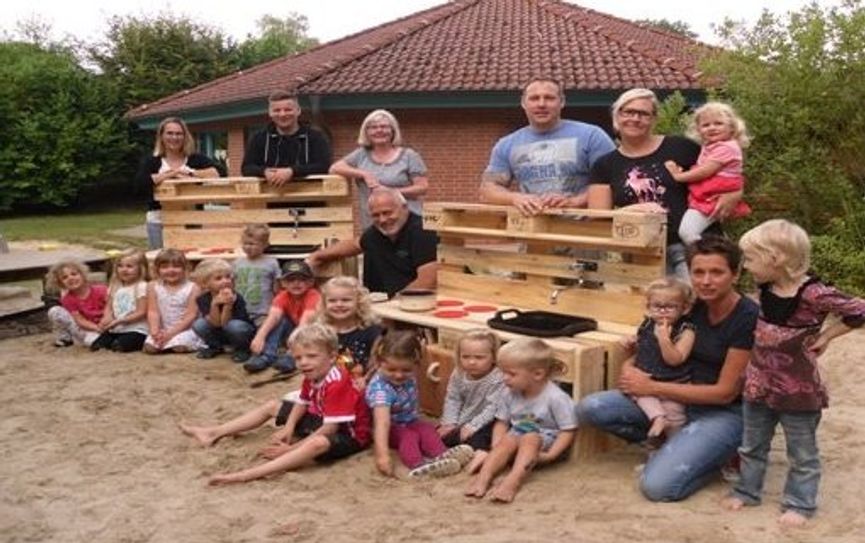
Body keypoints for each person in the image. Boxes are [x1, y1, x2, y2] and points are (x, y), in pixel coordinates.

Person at [577, 236, 759, 502]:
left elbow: (725, 393)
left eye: (717, 272)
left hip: (722, 412)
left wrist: (651, 387)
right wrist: (631, 367)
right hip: (672, 400)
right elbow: (650, 348)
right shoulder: (688, 306)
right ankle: (677, 445)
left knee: (657, 488)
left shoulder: (747, 317)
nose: (706, 281)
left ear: (735, 273)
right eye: (698, 272)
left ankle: (715, 458)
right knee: (590, 408)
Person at [722, 219, 865, 527]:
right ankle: (747, 490)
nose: (745, 266)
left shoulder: (815, 293)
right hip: (759, 382)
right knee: (751, 444)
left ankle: (800, 503)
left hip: (797, 388)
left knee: (802, 451)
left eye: (749, 258)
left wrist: (827, 336)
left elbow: (859, 311)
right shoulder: (766, 285)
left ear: (776, 259)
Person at [180, 323, 372, 485]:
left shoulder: (338, 381)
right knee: (273, 405)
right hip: (323, 420)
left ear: (331, 357)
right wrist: (289, 427)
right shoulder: (312, 373)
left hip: (349, 435)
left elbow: (331, 429)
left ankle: (249, 474)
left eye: (312, 356)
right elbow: (302, 401)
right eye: (298, 358)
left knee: (317, 443)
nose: (304, 362)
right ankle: (214, 432)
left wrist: (291, 449)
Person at [587, 89, 743, 279]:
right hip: (641, 252)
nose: (635, 118)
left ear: (653, 119)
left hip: (693, 249)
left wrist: (735, 193)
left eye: (644, 113)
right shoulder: (605, 164)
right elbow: (598, 218)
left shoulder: (682, 147)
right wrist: (633, 210)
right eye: (628, 112)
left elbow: (728, 170)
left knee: (698, 306)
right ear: (616, 115)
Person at [479, 77, 615, 216]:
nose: (541, 104)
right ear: (523, 103)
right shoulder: (507, 144)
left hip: (583, 232)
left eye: (549, 98)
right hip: (532, 230)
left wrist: (573, 201)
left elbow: (615, 181)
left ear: (562, 102)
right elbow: (488, 189)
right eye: (534, 98)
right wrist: (516, 198)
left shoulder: (592, 136)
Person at [465, 338, 578, 503]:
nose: (504, 378)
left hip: (542, 445)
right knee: (508, 439)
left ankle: (513, 480)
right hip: (516, 439)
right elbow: (502, 422)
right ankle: (483, 477)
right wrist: (497, 447)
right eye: (502, 372)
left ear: (537, 374)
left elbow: (568, 430)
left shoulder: (556, 397)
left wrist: (552, 455)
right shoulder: (508, 392)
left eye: (511, 374)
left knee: (530, 438)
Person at [366, 330, 475, 479]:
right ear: (379, 364)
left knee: (427, 429)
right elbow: (382, 423)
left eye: (406, 370)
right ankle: (417, 464)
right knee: (409, 436)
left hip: (409, 419)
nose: (399, 375)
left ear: (417, 365)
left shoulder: (409, 376)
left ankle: (442, 456)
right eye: (391, 369)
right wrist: (382, 455)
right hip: (390, 427)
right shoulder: (381, 390)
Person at [307, 188, 437, 297]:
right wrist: (317, 256)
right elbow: (353, 245)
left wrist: (394, 306)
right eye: (376, 215)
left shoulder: (422, 231)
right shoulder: (375, 233)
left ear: (404, 208)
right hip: (382, 304)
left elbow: (427, 280)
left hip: (414, 307)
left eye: (387, 212)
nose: (382, 219)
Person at [665, 101, 753, 244]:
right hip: (707, 194)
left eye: (718, 123)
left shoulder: (727, 148)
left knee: (687, 231)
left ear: (731, 127)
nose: (712, 128)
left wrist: (679, 176)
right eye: (706, 125)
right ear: (698, 129)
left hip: (713, 196)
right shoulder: (711, 147)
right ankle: (718, 250)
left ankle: (702, 255)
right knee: (707, 232)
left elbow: (705, 171)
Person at [330, 109, 429, 230]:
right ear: (366, 132)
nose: (379, 130)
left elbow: (422, 187)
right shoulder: (361, 155)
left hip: (407, 223)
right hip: (373, 224)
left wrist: (392, 192)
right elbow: (335, 168)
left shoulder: (409, 156)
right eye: (373, 127)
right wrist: (364, 174)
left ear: (393, 130)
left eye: (384, 126)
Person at [628, 277, 696, 447]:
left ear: (685, 308)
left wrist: (664, 339)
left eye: (670, 307)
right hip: (647, 382)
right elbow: (643, 346)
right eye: (657, 306)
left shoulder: (686, 330)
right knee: (640, 396)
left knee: (674, 421)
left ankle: (676, 451)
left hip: (673, 386)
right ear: (648, 307)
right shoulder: (648, 323)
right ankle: (658, 420)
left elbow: (675, 359)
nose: (663, 311)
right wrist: (631, 341)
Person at [136, 117, 222, 249]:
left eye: (178, 134)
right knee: (160, 260)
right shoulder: (152, 161)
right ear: (161, 136)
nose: (174, 138)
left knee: (192, 257)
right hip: (160, 219)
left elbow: (217, 173)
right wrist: (171, 174)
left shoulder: (196, 158)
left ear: (185, 136)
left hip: (191, 218)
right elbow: (140, 183)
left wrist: (190, 172)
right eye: (170, 133)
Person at [437, 329, 505, 471]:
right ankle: (451, 455)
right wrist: (449, 422)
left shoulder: (498, 377)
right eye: (465, 357)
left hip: (488, 421)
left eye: (479, 357)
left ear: (493, 357)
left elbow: (493, 408)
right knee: (438, 434)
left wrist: (473, 426)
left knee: (483, 437)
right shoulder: (459, 372)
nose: (472, 362)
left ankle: (475, 454)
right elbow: (453, 398)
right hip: (465, 418)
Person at [244, 259, 320, 374]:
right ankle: (267, 355)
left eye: (302, 279)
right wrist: (259, 337)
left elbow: (306, 322)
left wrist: (292, 349)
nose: (296, 283)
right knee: (278, 320)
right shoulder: (282, 296)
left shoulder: (313, 295)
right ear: (283, 283)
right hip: (294, 332)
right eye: (291, 280)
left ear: (310, 282)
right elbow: (273, 317)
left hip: (309, 332)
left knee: (309, 329)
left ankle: (292, 357)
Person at [240, 90, 332, 185]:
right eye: (277, 110)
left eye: (288, 110)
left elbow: (324, 166)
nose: (282, 114)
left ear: (298, 111)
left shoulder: (316, 137)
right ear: (270, 113)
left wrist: (292, 171)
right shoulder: (258, 138)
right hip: (270, 198)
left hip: (311, 197)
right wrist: (264, 172)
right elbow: (247, 168)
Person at [312, 276, 382, 382]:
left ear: (359, 302)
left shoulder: (371, 331)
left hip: (362, 383)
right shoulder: (320, 332)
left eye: (346, 300)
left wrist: (366, 379)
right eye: (332, 301)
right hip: (328, 383)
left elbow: (377, 363)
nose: (339, 304)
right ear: (324, 304)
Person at [190, 259, 255, 362]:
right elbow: (216, 323)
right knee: (199, 324)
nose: (225, 281)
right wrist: (214, 304)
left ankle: (242, 349)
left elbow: (225, 324)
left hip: (240, 333)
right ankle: (215, 347)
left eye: (228, 277)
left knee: (235, 326)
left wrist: (228, 305)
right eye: (218, 278)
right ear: (205, 284)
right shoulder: (202, 299)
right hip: (220, 331)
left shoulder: (237, 297)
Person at [143, 249, 205, 354]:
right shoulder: (153, 286)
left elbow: (191, 315)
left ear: (185, 268)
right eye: (165, 267)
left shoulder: (193, 288)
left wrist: (170, 334)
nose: (171, 270)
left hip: (185, 329)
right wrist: (155, 331)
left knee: (178, 346)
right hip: (162, 328)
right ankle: (162, 340)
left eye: (176, 266)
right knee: (150, 348)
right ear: (157, 270)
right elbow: (153, 311)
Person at [90, 249, 150, 352]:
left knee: (120, 346)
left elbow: (141, 312)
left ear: (141, 268)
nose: (124, 270)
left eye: (129, 266)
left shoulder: (142, 286)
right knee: (96, 346)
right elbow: (108, 306)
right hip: (116, 328)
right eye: (120, 266)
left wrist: (120, 321)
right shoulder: (115, 286)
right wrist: (107, 317)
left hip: (137, 329)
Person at [46, 260, 108, 348]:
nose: (70, 278)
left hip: (108, 323)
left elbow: (111, 309)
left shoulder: (101, 290)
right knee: (54, 311)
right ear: (61, 283)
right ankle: (65, 338)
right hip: (87, 328)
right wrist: (96, 328)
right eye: (64, 277)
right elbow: (79, 320)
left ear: (82, 275)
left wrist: (106, 323)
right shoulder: (68, 299)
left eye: (74, 274)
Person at [233, 224, 281, 327]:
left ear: (265, 245)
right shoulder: (237, 263)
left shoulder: (271, 263)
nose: (247, 247)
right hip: (241, 311)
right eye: (245, 243)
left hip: (263, 312)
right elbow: (233, 285)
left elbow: (276, 289)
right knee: (234, 328)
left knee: (265, 330)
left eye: (252, 244)